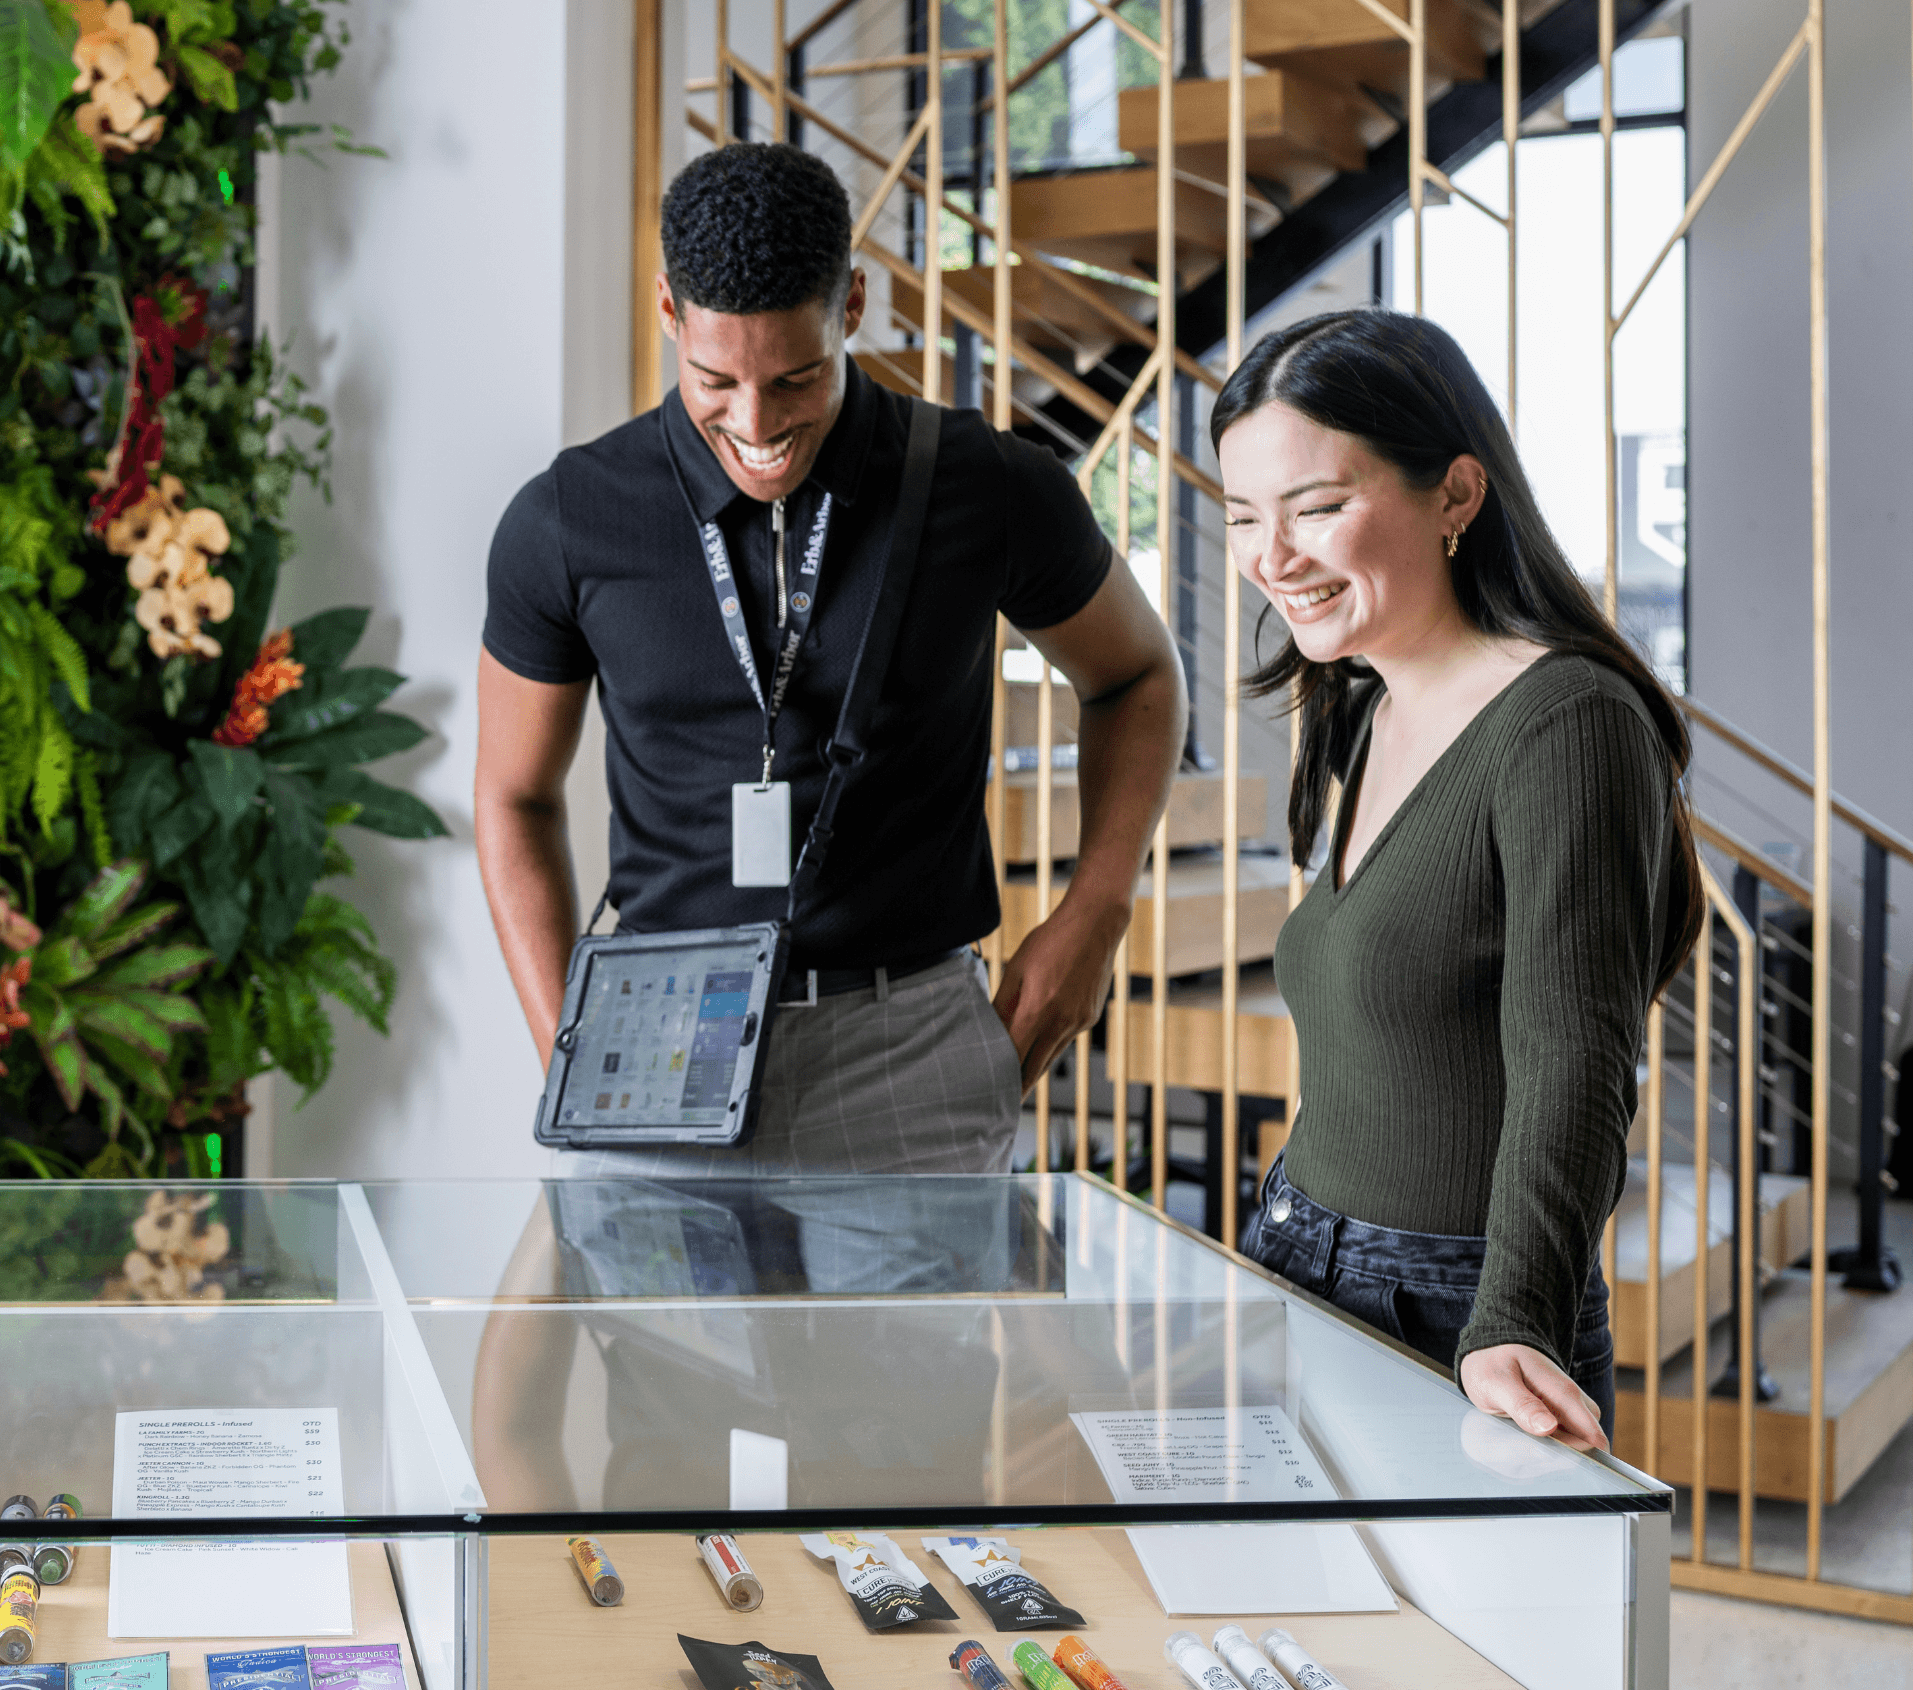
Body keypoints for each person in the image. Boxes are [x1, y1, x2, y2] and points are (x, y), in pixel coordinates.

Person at [475, 141, 1185, 1178]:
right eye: (715, 380)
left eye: (795, 378)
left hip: (911, 1044)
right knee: (662, 1353)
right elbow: (510, 797)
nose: (757, 426)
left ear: (852, 303)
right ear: (668, 312)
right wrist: (565, 1049)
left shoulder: (986, 486)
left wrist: (1098, 906)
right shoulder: (568, 518)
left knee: (914, 1353)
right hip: (659, 1038)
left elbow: (1134, 676)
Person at [1214, 309, 1702, 1453]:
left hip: (1455, 1305)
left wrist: (1515, 1317)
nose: (1270, 557)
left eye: (1317, 507)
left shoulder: (1567, 721)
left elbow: (1574, 1054)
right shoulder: (1358, 706)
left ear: (1455, 495)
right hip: (1297, 1250)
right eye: (1243, 516)